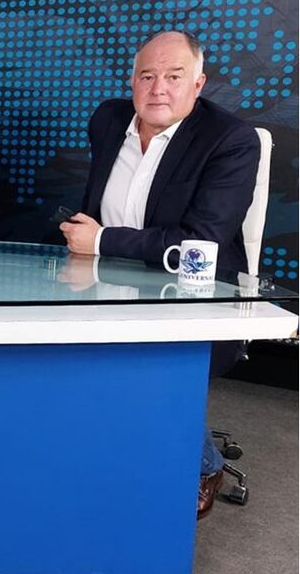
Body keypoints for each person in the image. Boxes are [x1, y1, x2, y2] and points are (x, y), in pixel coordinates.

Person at [60, 30, 261, 519]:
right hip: (102, 277)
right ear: (132, 81)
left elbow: (203, 241)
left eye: (173, 77)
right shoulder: (109, 120)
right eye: (147, 76)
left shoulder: (231, 140)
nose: (158, 89)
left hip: (193, 290)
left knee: (153, 355)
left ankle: (203, 463)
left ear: (198, 84)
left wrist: (105, 240)